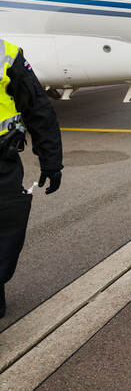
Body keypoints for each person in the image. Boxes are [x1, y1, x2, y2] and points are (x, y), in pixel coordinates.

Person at [0, 39, 62, 319]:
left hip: (1, 160)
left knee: (5, 230)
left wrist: (51, 160)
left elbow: (37, 108)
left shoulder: (6, 53)